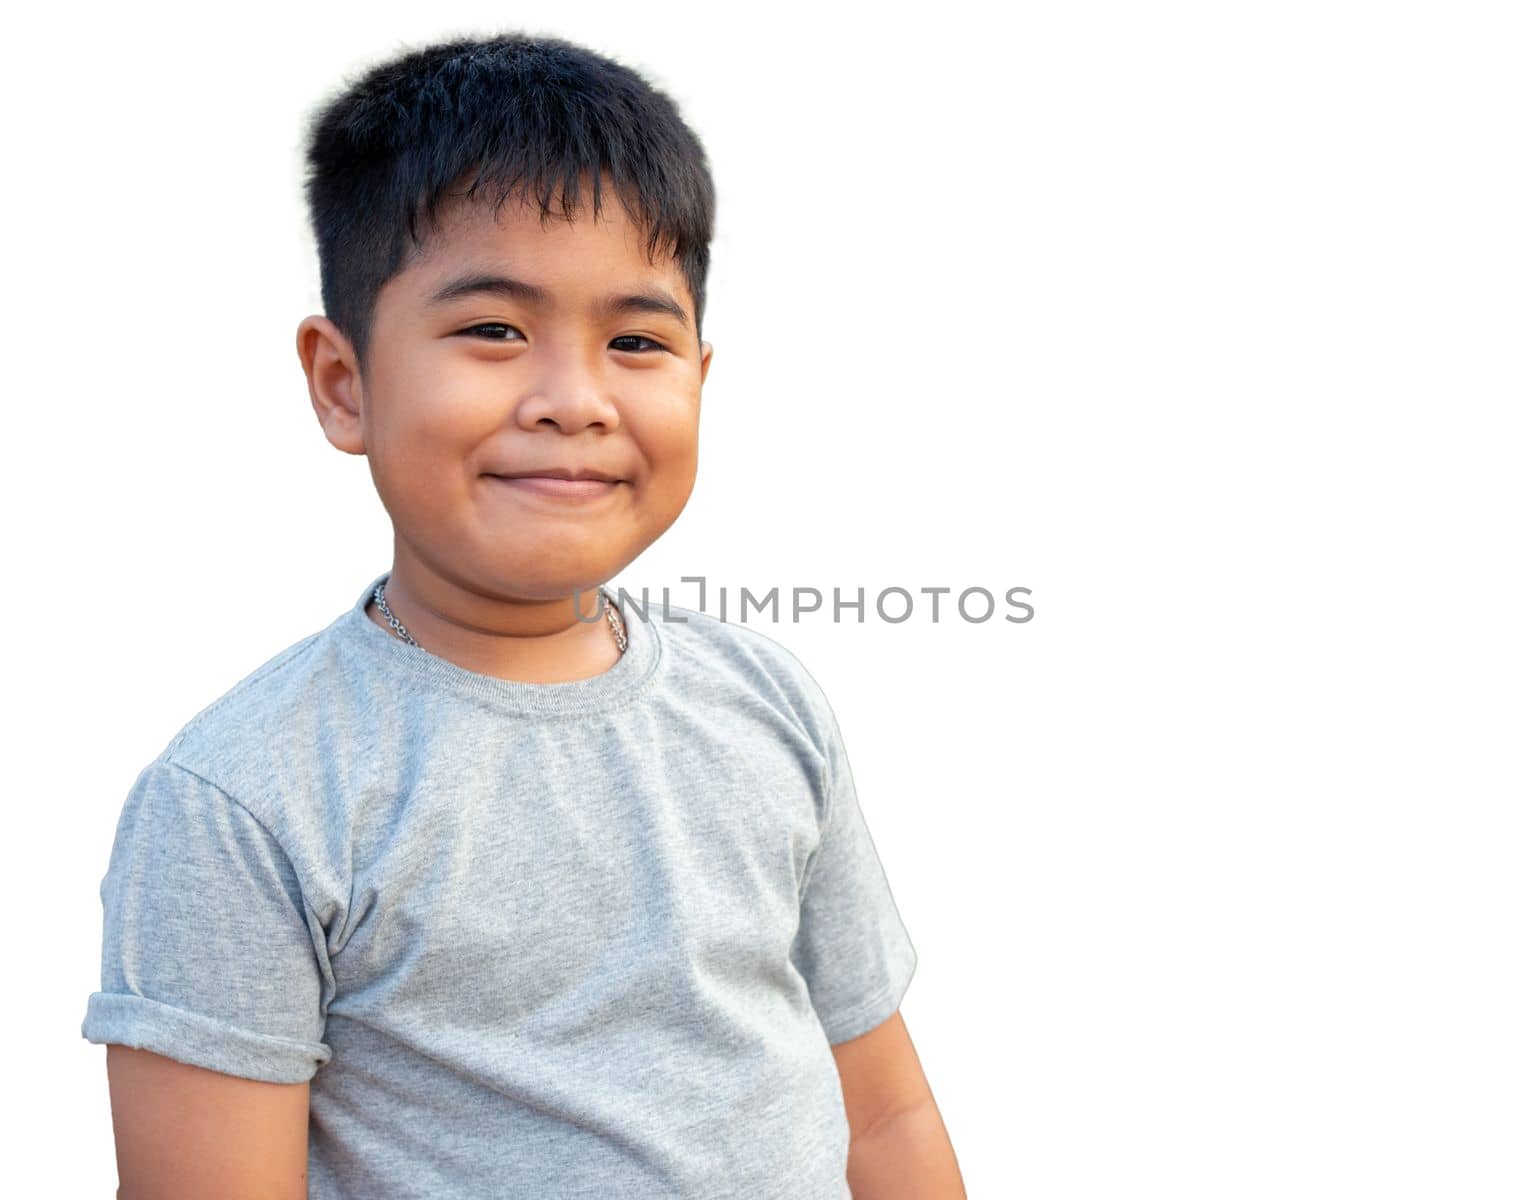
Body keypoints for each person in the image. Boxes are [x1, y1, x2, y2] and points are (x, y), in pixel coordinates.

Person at [80, 30, 965, 1199]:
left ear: (700, 376)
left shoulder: (767, 703)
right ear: (344, 383)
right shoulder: (244, 801)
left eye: (636, 341)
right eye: (494, 330)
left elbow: (888, 1116)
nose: (573, 400)